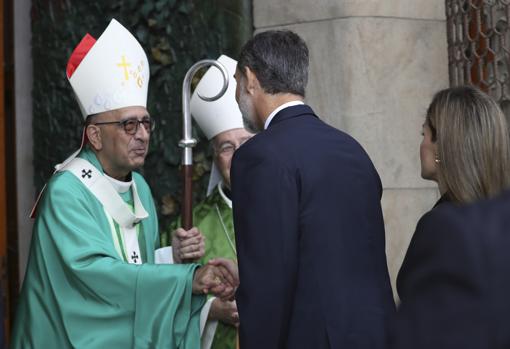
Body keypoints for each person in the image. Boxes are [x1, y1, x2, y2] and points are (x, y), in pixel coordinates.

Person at [11, 19, 237, 349]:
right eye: (129, 125)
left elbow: (135, 267)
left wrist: (169, 257)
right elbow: (98, 277)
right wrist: (187, 280)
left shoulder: (139, 187)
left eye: (146, 123)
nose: (143, 134)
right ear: (95, 135)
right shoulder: (66, 192)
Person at [230, 30, 395, 349]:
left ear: (250, 79)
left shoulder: (259, 155)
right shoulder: (353, 150)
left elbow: (268, 283)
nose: (237, 96)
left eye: (237, 83)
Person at [394, 86, 510, 348]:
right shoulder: (497, 224)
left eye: (424, 134)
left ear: (440, 146)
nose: (421, 144)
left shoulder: (444, 228)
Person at [169, 54, 253, 349]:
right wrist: (210, 310)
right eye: (227, 147)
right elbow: (167, 297)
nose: (239, 155)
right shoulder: (194, 223)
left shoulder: (289, 208)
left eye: (246, 143)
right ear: (216, 160)